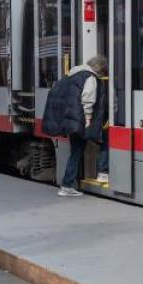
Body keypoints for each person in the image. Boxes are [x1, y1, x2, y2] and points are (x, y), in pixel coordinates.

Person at [42, 55, 108, 197]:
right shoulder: (90, 77)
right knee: (103, 140)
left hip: (70, 122)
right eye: (103, 71)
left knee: (76, 152)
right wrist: (89, 119)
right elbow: (88, 99)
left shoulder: (71, 76)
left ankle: (67, 185)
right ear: (99, 68)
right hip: (81, 122)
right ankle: (99, 174)